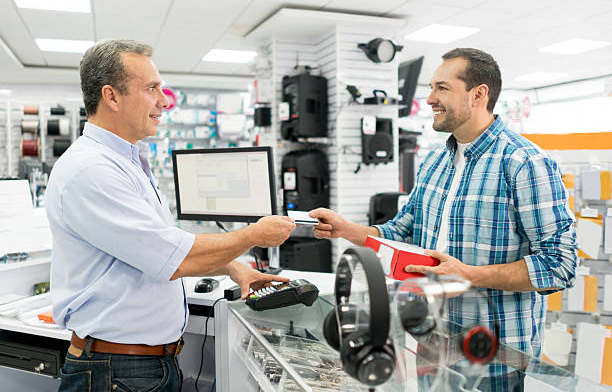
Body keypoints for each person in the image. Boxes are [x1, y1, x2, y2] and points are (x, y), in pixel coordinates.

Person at [310, 48, 577, 389]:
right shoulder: (435, 161)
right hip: (431, 344)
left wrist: (467, 275)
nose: (430, 98)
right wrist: (348, 230)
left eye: (442, 88)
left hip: (494, 356)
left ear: (478, 94)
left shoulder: (524, 163)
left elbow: (559, 264)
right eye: (431, 87)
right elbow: (402, 232)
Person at [46, 40, 296, 392]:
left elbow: (148, 254)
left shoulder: (126, 163)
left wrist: (231, 266)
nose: (164, 100)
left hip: (139, 367)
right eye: (152, 88)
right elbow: (172, 257)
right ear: (111, 97)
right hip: (116, 371)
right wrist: (253, 235)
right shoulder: (91, 170)